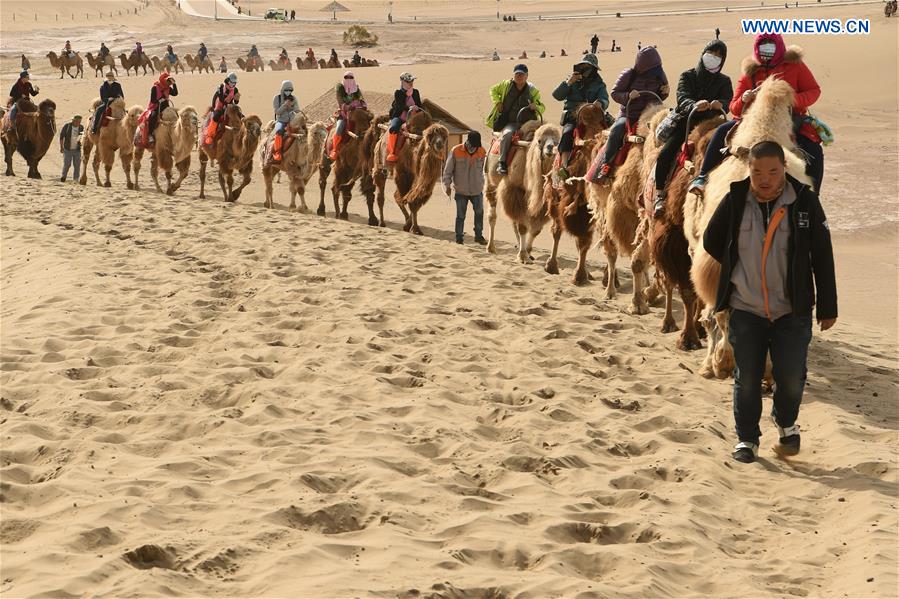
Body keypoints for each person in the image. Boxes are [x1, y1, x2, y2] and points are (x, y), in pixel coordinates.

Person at [701, 140, 837, 464]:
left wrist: (828, 306)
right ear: (749, 169)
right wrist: (737, 263)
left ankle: (785, 421)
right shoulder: (735, 199)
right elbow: (711, 240)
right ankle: (747, 439)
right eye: (757, 171)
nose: (765, 178)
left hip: (792, 311)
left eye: (773, 171)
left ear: (783, 170)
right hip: (746, 308)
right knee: (747, 377)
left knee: (791, 376)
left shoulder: (805, 202)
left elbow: (822, 255)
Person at [689, 33, 823, 195]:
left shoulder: (795, 65)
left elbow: (814, 91)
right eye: (763, 44)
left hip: (789, 118)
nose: (767, 49)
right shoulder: (751, 71)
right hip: (754, 120)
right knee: (721, 132)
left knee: (813, 150)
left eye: (770, 44)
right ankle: (702, 177)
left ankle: (812, 196)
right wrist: (745, 99)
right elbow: (734, 107)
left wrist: (791, 99)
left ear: (779, 46)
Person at [652, 40, 732, 217]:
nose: (714, 58)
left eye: (719, 56)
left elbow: (728, 100)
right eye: (711, 54)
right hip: (687, 122)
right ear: (704, 54)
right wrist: (694, 105)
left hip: (712, 124)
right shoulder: (687, 76)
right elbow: (682, 97)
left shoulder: (724, 81)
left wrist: (722, 104)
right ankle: (659, 195)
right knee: (666, 154)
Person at [592, 46, 669, 183]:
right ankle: (606, 165)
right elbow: (615, 93)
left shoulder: (659, 75)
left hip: (650, 115)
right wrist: (628, 96)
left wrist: (665, 91)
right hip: (629, 114)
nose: (653, 72)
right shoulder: (629, 75)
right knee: (617, 130)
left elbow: (659, 97)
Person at [551, 53, 608, 181]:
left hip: (592, 118)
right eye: (583, 66)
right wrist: (569, 83)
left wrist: (601, 103)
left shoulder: (599, 84)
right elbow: (556, 95)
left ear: (594, 69)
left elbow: (605, 99)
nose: (585, 69)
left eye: (588, 67)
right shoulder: (571, 80)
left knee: (608, 135)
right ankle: (564, 166)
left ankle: (606, 166)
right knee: (567, 133)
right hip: (573, 118)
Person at [485, 63, 545, 175]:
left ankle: (543, 165)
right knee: (507, 135)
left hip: (529, 123)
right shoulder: (505, 85)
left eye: (521, 74)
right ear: (513, 75)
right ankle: (501, 163)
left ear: (527, 76)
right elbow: (493, 90)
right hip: (512, 122)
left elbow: (542, 107)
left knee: (545, 137)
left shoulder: (533, 90)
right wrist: (497, 101)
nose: (519, 76)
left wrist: (535, 107)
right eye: (517, 74)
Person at [443, 131, 488, 245]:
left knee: (479, 213)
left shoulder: (482, 151)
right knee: (460, 215)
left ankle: (478, 236)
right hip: (461, 190)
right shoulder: (456, 150)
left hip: (477, 190)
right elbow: (448, 171)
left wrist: (484, 183)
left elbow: (484, 169)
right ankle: (459, 238)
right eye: (473, 144)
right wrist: (447, 185)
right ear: (467, 141)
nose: (474, 147)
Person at [328, 71, 367, 160]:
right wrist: (348, 106)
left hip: (355, 114)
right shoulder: (340, 88)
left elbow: (362, 100)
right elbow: (340, 101)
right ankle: (334, 149)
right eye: (346, 77)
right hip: (343, 115)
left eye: (350, 77)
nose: (348, 79)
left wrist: (359, 104)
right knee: (339, 129)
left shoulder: (356, 89)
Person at [386, 72, 422, 163]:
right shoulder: (398, 93)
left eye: (412, 80)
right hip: (400, 117)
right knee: (393, 128)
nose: (411, 82)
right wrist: (409, 107)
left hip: (414, 117)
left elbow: (419, 104)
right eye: (408, 81)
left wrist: (418, 108)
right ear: (402, 81)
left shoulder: (416, 92)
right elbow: (400, 106)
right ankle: (392, 152)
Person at [204, 72, 239, 145]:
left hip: (230, 107)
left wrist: (237, 99)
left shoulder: (235, 90)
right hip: (219, 105)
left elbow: (236, 102)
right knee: (216, 117)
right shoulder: (221, 87)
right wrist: (215, 108)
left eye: (234, 83)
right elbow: (220, 98)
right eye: (231, 82)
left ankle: (241, 132)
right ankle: (209, 135)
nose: (233, 84)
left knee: (240, 115)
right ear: (228, 80)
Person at [146, 70, 178, 145]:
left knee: (177, 115)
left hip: (166, 108)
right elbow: (153, 100)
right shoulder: (155, 88)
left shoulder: (168, 88)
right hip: (156, 107)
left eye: (170, 81)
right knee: (153, 116)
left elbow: (175, 93)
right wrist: (160, 100)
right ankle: (150, 134)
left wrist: (174, 84)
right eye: (168, 81)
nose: (169, 83)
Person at [271, 80, 298, 162]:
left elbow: (297, 110)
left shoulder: (294, 98)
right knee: (279, 131)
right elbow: (277, 112)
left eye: (290, 90)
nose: (288, 92)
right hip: (281, 121)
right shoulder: (277, 98)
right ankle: (277, 152)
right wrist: (285, 105)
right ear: (283, 89)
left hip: (292, 121)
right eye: (286, 90)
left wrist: (293, 109)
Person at [92, 71, 125, 135]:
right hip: (106, 103)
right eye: (108, 78)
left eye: (111, 77)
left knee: (125, 113)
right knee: (99, 110)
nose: (110, 79)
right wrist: (107, 99)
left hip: (116, 102)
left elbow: (121, 95)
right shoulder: (102, 87)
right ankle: (95, 128)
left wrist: (116, 99)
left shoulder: (118, 85)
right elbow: (102, 98)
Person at [59, 115, 83, 182]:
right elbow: (61, 137)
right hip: (67, 149)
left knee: (77, 165)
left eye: (79, 121)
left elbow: (82, 137)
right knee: (67, 164)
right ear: (73, 121)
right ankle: (63, 177)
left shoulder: (81, 127)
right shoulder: (67, 126)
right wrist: (61, 147)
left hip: (77, 150)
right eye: (77, 121)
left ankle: (76, 179)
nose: (78, 123)